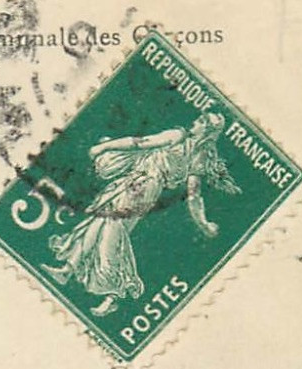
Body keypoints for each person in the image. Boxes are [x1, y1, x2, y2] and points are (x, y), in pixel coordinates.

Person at [43, 111, 240, 316]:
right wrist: (204, 223)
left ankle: (111, 290)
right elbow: (192, 194)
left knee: (110, 231)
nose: (195, 121)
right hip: (139, 186)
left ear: (206, 129)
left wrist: (105, 146)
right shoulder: (197, 152)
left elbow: (139, 143)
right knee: (101, 225)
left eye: (201, 121)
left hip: (142, 188)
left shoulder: (179, 137)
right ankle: (71, 272)